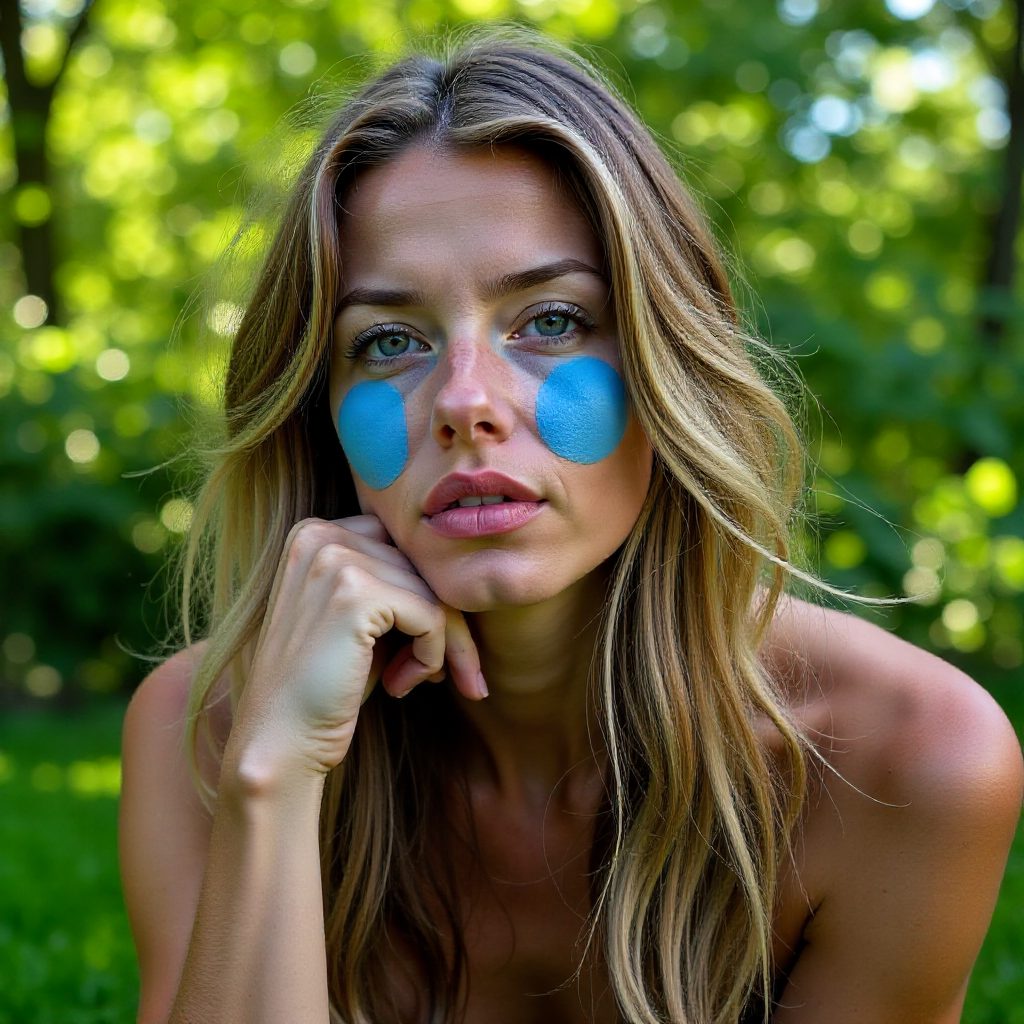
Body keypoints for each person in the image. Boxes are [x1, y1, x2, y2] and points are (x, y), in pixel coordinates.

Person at [117, 27, 1023, 1024]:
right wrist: (273, 777)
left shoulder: (907, 762)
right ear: (319, 411)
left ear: (662, 365)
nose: (465, 401)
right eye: (386, 340)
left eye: (549, 320)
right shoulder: (199, 732)